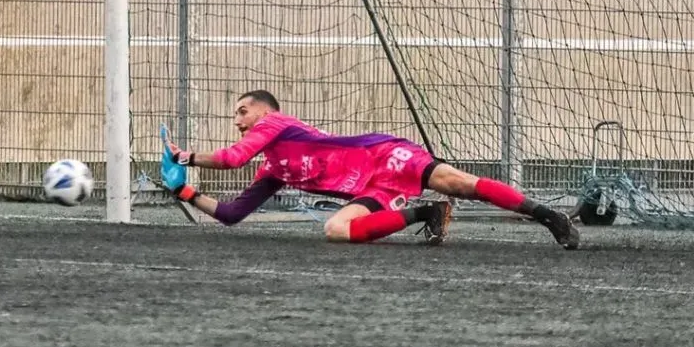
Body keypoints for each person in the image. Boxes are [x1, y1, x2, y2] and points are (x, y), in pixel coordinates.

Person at [161, 89, 579, 249]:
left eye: (243, 112)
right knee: (336, 231)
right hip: (371, 186)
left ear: (266, 112)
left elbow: (233, 158)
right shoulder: (272, 169)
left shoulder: (276, 124)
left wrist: (186, 157)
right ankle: (425, 213)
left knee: (461, 183)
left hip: (379, 154)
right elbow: (233, 215)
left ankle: (550, 216)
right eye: (235, 115)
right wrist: (182, 192)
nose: (238, 120)